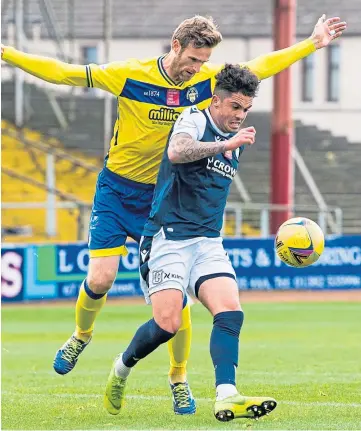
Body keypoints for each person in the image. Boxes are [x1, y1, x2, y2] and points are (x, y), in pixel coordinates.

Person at [1, 14, 346, 415]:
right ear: (175, 45)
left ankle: (178, 378)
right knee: (101, 276)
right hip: (118, 187)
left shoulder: (208, 83)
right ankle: (81, 335)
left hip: (164, 196)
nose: (196, 69)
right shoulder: (131, 75)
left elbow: (261, 67)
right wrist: (6, 53)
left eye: (203, 62)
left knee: (178, 300)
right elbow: (64, 73)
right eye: (193, 59)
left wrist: (311, 44)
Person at [104, 63, 276, 421]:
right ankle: (121, 368)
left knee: (230, 312)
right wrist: (225, 143)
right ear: (216, 100)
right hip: (167, 237)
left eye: (245, 110)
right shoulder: (194, 120)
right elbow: (177, 152)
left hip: (208, 241)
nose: (240, 116)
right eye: (235, 108)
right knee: (168, 324)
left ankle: (226, 394)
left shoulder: (235, 137)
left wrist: (230, 143)